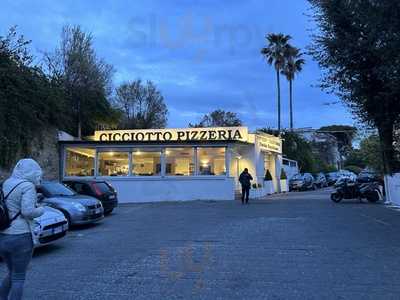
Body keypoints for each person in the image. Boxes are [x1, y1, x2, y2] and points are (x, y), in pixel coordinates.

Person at [0, 159, 44, 300]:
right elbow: (28, 212)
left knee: (11, 272)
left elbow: (11, 204)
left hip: (3, 234)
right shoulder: (28, 186)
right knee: (19, 277)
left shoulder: (7, 182)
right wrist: (41, 209)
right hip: (21, 236)